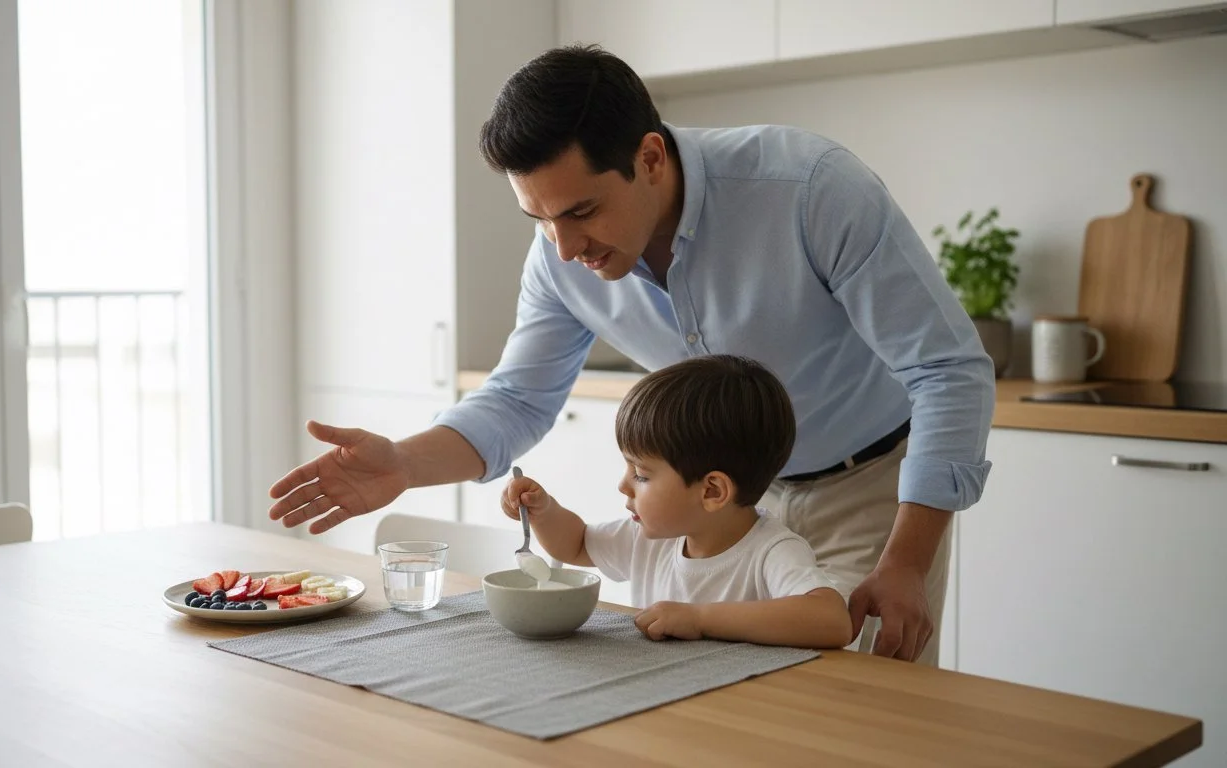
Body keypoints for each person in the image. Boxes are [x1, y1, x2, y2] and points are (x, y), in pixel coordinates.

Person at [268, 45, 994, 665]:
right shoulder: (559, 256)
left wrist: (905, 561)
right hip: (720, 511)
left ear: (650, 158)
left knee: (867, 725)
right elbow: (518, 399)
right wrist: (404, 462)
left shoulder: (807, 188)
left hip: (867, 488)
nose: (565, 247)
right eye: (539, 219)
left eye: (581, 212)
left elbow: (947, 370)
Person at [501, 355, 852, 648]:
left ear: (712, 491)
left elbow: (831, 621)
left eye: (641, 474)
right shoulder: (651, 538)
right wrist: (544, 512)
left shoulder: (771, 551)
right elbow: (575, 545)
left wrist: (699, 618)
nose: (624, 485)